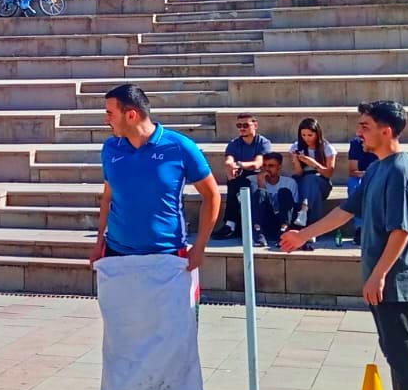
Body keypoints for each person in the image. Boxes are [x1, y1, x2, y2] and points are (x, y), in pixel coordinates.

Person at [282, 100, 408, 390]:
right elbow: (346, 211)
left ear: (386, 130)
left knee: (402, 353)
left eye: (365, 126)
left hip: (395, 279)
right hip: (382, 277)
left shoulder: (401, 171)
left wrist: (379, 275)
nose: (359, 133)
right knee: (393, 350)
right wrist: (303, 235)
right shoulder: (377, 168)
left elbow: (401, 231)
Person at [92, 83, 220, 265]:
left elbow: (212, 195)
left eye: (110, 114)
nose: (106, 120)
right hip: (116, 252)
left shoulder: (180, 146)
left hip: (167, 255)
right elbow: (108, 198)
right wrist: (99, 242)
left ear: (131, 115)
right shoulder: (110, 148)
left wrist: (200, 246)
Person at [219, 113, 272, 243]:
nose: (242, 128)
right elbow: (228, 160)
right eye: (239, 125)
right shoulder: (234, 143)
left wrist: (239, 164)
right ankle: (233, 223)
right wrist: (230, 167)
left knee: (242, 181)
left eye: (245, 125)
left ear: (255, 125)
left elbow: (257, 164)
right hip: (241, 176)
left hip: (260, 176)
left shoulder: (263, 142)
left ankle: (232, 224)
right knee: (234, 180)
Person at [288, 116, 337, 244]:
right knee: (310, 185)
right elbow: (298, 173)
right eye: (303, 135)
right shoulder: (296, 147)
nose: (307, 138)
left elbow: (329, 173)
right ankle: (311, 227)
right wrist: (296, 160)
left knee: (312, 179)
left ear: (317, 134)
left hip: (322, 181)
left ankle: (304, 213)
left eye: (310, 135)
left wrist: (313, 163)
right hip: (303, 181)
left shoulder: (327, 148)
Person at [251, 154, 300, 248]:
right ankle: (258, 232)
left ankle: (283, 231)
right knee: (260, 192)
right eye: (264, 165)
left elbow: (293, 207)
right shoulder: (255, 181)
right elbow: (256, 207)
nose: (267, 169)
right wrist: (261, 183)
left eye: (271, 166)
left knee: (284, 191)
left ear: (279, 167)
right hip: (266, 221)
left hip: (283, 221)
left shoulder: (290, 182)